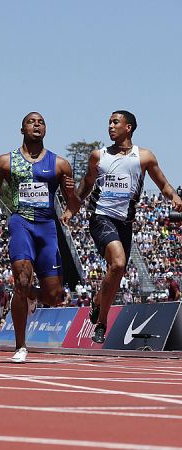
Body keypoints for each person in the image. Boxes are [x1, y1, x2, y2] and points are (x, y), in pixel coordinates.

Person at [0, 112, 80, 363]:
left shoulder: (60, 164)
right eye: (31, 121)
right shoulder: (5, 162)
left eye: (41, 122)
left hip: (47, 227)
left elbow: (75, 204)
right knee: (22, 280)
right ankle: (20, 346)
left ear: (45, 129)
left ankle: (32, 293)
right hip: (21, 223)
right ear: (22, 129)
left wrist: (71, 199)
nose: (37, 124)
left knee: (54, 297)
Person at [68, 111, 182, 342]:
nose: (110, 126)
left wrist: (174, 197)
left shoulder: (144, 157)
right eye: (109, 123)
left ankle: (98, 301)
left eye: (115, 122)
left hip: (125, 223)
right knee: (118, 262)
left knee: (116, 270)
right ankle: (102, 323)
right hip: (101, 217)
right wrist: (72, 208)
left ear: (128, 127)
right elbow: (86, 185)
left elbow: (163, 184)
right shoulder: (98, 156)